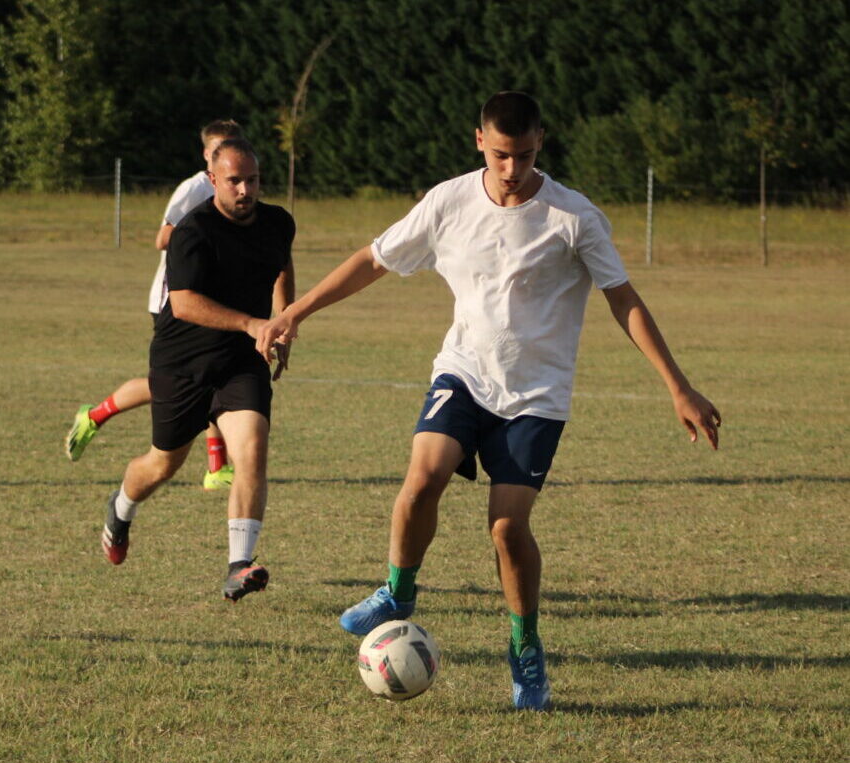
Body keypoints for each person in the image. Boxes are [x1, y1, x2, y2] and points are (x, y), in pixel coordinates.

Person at [255, 92, 721, 709]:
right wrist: (296, 312)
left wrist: (678, 385)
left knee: (506, 528)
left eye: (524, 155)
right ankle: (398, 591)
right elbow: (373, 261)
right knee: (422, 479)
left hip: (536, 397)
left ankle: (525, 649)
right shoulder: (448, 202)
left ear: (540, 144)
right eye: (501, 154)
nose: (511, 169)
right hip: (464, 373)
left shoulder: (574, 216)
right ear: (480, 141)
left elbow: (622, 298)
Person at [101, 138, 296, 600]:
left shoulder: (277, 222)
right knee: (163, 464)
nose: (245, 190)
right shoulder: (193, 230)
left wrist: (284, 321)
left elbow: (282, 266)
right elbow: (185, 304)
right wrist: (251, 321)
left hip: (240, 363)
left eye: (252, 180)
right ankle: (121, 507)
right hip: (181, 365)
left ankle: (238, 565)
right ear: (213, 181)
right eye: (234, 181)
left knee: (252, 448)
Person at [66, 120, 244, 491]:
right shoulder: (195, 188)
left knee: (210, 378)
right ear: (206, 155)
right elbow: (163, 237)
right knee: (180, 383)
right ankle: (96, 414)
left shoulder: (236, 189)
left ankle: (216, 467)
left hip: (211, 300)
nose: (223, 157)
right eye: (216, 151)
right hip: (175, 300)